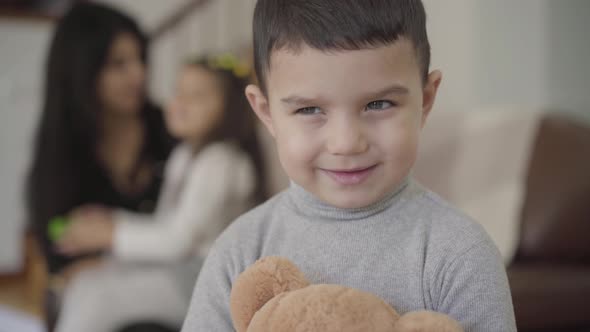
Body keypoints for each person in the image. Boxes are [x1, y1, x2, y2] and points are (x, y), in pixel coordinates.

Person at [181, 1, 517, 331]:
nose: (346, 143)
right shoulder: (239, 251)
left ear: (425, 100)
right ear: (266, 113)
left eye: (379, 104)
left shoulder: (460, 253)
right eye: (310, 110)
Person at [52, 53, 266, 332]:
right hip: (177, 269)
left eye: (196, 96)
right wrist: (111, 219)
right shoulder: (183, 156)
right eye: (178, 92)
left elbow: (177, 242)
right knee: (85, 283)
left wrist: (109, 233)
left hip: (201, 282)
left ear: (231, 109)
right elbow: (164, 224)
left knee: (98, 297)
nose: (179, 103)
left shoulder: (222, 163)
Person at [27, 1, 173, 299]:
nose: (139, 74)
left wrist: (110, 238)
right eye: (118, 64)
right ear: (82, 70)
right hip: (93, 293)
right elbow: (58, 241)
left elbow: (187, 233)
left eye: (140, 59)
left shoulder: (168, 131)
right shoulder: (61, 148)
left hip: (162, 285)